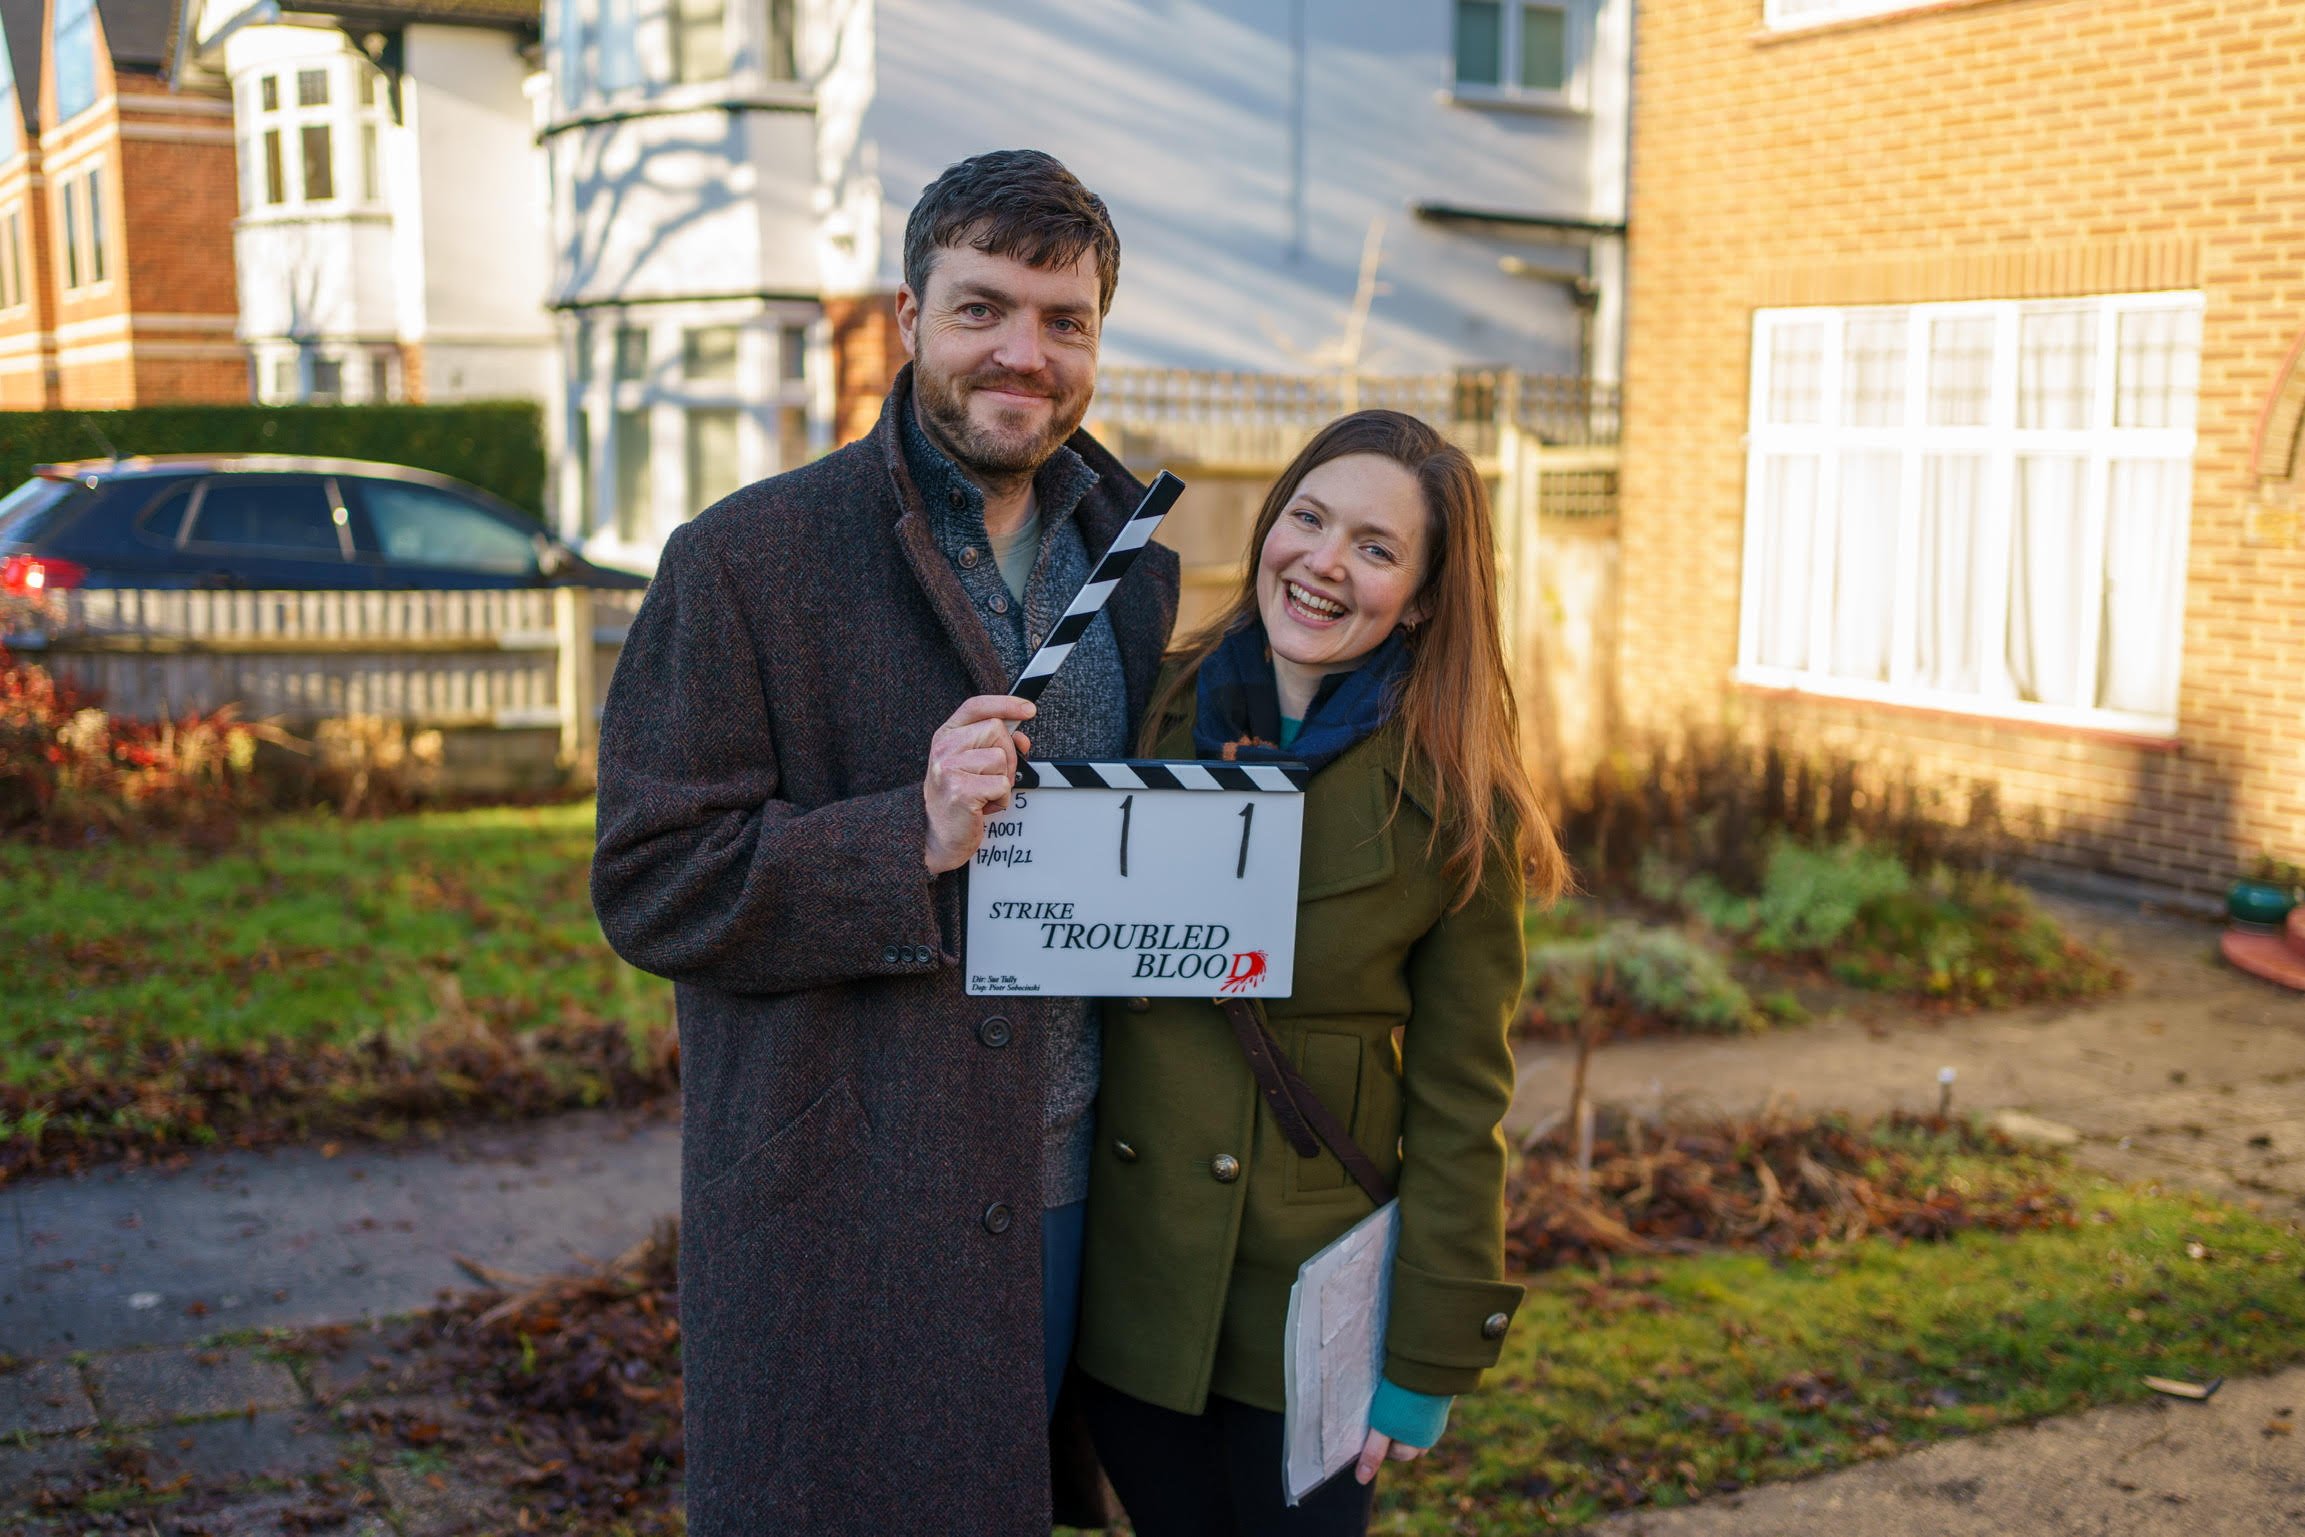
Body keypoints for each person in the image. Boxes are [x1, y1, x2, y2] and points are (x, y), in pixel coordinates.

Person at [589, 150, 1178, 1537]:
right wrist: (899, 838)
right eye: (982, 309)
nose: (1022, 354)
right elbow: (650, 882)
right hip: (850, 1207)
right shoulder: (745, 561)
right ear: (908, 318)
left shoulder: (1137, 564)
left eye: (1064, 319)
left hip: (1080, 1181)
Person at [1073, 410, 1568, 1535]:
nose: (1324, 563)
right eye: (1307, 517)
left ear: (1426, 595)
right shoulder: (1141, 708)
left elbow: (1458, 1103)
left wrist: (1429, 1351)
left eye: (1377, 548)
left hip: (1310, 1308)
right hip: (1135, 1282)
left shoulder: (1455, 804)